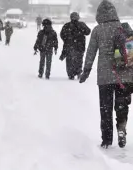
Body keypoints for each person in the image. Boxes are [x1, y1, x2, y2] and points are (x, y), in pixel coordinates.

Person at [79, 1, 133, 149]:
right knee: (121, 106)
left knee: (106, 108)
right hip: (124, 75)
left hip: (105, 76)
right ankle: (121, 130)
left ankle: (107, 140)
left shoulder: (97, 30)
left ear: (99, 14)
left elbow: (91, 52)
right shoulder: (124, 28)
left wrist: (86, 70)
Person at [60, 12, 91, 80]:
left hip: (69, 46)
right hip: (80, 46)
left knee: (69, 61)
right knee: (79, 60)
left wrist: (67, 40)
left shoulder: (67, 25)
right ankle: (78, 72)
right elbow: (88, 32)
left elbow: (62, 35)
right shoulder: (81, 24)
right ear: (78, 17)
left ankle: (71, 74)